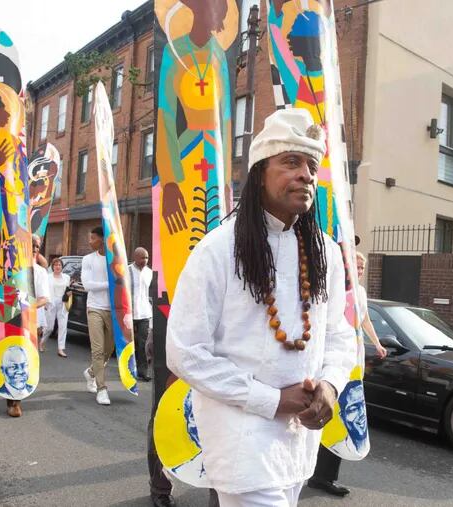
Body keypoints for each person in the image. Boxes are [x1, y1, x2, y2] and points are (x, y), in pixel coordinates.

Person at [166, 109, 357, 506]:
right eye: (291, 161)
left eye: (312, 165)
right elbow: (185, 352)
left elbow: (339, 335)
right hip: (241, 440)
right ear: (258, 173)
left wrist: (330, 385)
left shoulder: (325, 252)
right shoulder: (218, 249)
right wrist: (271, 400)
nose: (306, 174)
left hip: (300, 443)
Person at [308, 251, 382, 497]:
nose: (359, 271)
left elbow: (364, 320)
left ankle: (322, 476)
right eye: (355, 266)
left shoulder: (360, 292)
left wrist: (377, 343)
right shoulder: (334, 289)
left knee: (341, 420)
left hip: (353, 362)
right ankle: (314, 473)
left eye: (362, 268)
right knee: (330, 416)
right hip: (333, 363)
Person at [6, 258, 49, 418]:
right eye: (33, 246)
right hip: (10, 318)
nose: (35, 248)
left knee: (25, 358)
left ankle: (17, 399)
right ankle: (12, 399)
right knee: (11, 357)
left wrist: (28, 306)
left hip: (31, 320)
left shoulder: (40, 271)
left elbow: (44, 298)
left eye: (37, 246)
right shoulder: (10, 267)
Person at [81, 226, 114, 406]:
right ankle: (102, 389)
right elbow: (87, 285)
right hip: (94, 307)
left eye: (93, 238)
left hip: (114, 310)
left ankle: (91, 372)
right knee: (98, 350)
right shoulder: (88, 259)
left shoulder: (115, 259)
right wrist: (110, 284)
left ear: (102, 239)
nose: (90, 241)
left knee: (109, 350)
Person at [130, 247, 153, 382]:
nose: (145, 260)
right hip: (129, 313)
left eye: (147, 258)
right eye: (142, 257)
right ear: (135, 257)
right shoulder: (127, 271)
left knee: (143, 343)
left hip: (144, 313)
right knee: (129, 343)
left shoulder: (150, 273)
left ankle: (143, 371)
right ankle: (128, 370)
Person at [42, 257, 70, 357]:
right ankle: (42, 341)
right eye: (55, 265)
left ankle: (61, 349)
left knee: (63, 326)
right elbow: (44, 290)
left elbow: (68, 290)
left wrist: (69, 293)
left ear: (62, 267)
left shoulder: (67, 277)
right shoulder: (48, 277)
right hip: (51, 303)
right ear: (52, 266)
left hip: (62, 304)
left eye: (59, 265)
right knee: (49, 327)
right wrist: (44, 303)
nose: (57, 267)